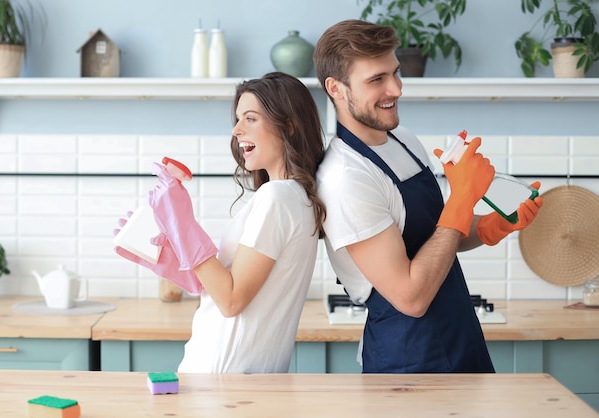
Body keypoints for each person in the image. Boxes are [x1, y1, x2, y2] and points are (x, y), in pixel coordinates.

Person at [312, 20, 543, 373]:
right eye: (377, 80)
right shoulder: (346, 178)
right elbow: (411, 297)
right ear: (336, 89)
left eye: (395, 73)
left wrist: (493, 226)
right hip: (408, 361)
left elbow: (437, 239)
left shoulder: (402, 139)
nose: (397, 89)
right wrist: (462, 199)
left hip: (462, 337)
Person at [147, 72, 326, 373]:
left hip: (223, 383)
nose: (236, 129)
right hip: (230, 382)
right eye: (238, 118)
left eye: (250, 118)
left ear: (289, 126)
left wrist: (184, 224)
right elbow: (228, 288)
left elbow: (231, 301)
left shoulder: (277, 198)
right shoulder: (294, 197)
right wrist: (171, 259)